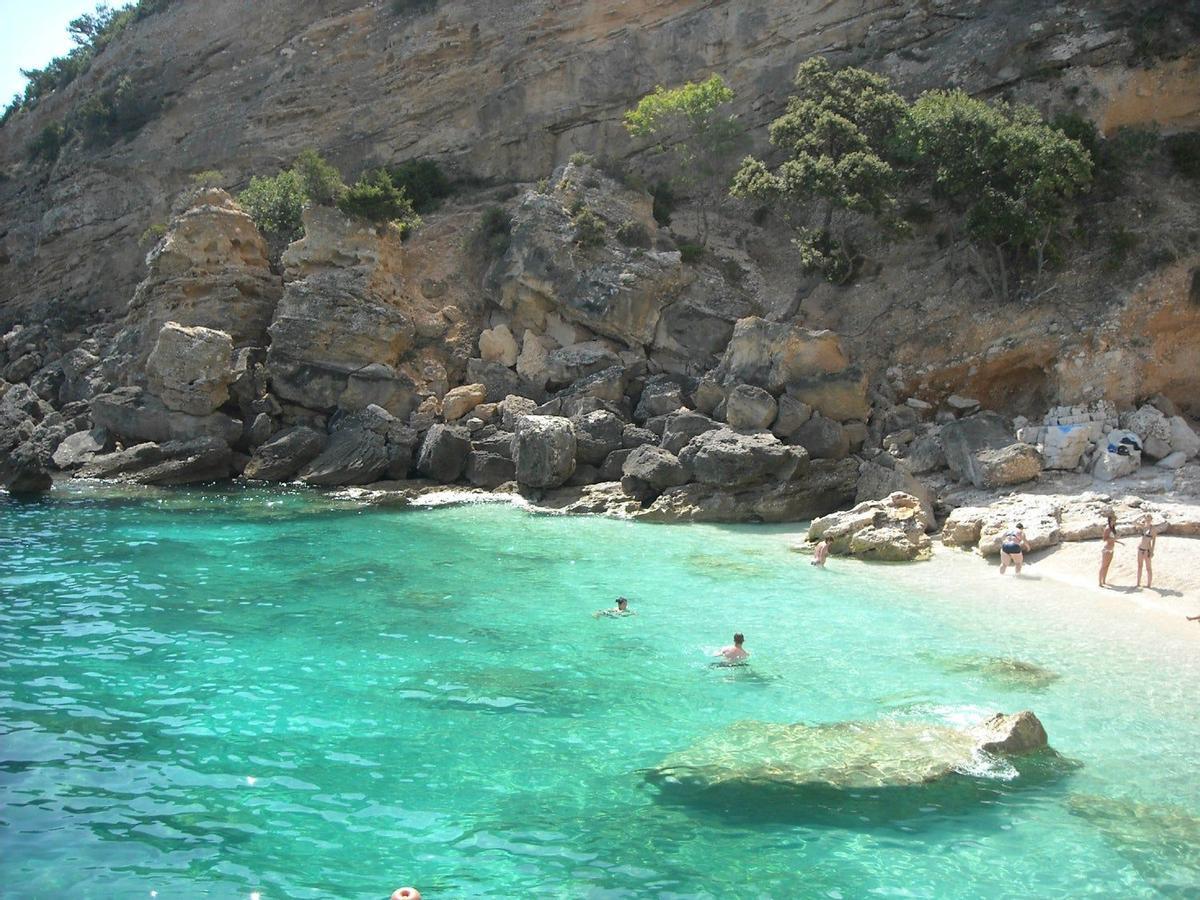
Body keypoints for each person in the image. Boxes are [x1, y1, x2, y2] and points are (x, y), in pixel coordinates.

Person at [1098, 514, 1123, 588]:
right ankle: (1100, 582)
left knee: (1107, 566)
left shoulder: (1112, 528)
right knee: (1103, 566)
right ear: (1110, 520)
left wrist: (1119, 542)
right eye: (1113, 520)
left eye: (1115, 520)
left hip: (1111, 548)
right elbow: (1104, 539)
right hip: (1107, 549)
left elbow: (1112, 539)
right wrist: (1114, 539)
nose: (1114, 521)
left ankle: (1104, 580)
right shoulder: (1108, 528)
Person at [1136, 514, 1158, 589]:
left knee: (1148, 568)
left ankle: (1149, 584)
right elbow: (1134, 522)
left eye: (1149, 519)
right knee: (1139, 566)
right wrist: (1141, 516)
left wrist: (1152, 551)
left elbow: (1154, 541)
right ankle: (1138, 583)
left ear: (1151, 520)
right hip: (1140, 548)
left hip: (1147, 550)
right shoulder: (1143, 527)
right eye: (1146, 519)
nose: (1148, 521)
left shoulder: (1153, 529)